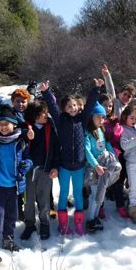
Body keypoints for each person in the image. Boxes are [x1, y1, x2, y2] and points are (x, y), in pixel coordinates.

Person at [40, 78, 104, 236]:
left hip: (79, 165)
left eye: (74, 105)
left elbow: (89, 104)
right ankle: (63, 225)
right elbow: (53, 108)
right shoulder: (60, 120)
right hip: (64, 165)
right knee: (63, 194)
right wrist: (46, 92)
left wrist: (96, 89)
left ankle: (79, 224)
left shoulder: (82, 119)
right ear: (64, 109)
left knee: (78, 194)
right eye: (69, 106)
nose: (72, 108)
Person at [0, 104, 33, 265]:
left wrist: (27, 165)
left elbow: (28, 159)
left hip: (14, 187)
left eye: (6, 124)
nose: (3, 127)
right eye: (1, 124)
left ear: (14, 125)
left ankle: (7, 241)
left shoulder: (20, 142)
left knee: (12, 216)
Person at [0, 82, 31, 220]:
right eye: (18, 101)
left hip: (26, 150)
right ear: (13, 102)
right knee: (16, 183)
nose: (21, 104)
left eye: (24, 102)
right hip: (12, 149)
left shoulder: (29, 114)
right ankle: (16, 208)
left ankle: (23, 207)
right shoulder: (10, 112)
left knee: (24, 183)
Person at [20, 100, 60, 241]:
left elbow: (55, 150)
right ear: (35, 115)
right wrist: (26, 135)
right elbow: (19, 136)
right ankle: (29, 224)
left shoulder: (49, 128)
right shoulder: (25, 128)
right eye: (43, 113)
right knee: (28, 200)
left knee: (44, 199)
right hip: (28, 171)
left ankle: (45, 224)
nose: (46, 115)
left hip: (45, 169)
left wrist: (55, 167)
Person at [84, 102, 122, 232]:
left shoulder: (101, 130)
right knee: (94, 193)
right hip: (93, 168)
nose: (101, 120)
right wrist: (96, 166)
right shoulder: (88, 132)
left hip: (104, 166)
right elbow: (87, 151)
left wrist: (115, 161)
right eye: (98, 117)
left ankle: (95, 217)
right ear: (91, 117)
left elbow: (108, 146)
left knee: (101, 192)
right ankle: (90, 219)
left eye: (103, 117)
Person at [98, 93, 129, 219]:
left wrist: (117, 131)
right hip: (100, 157)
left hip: (113, 156)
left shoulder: (114, 120)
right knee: (101, 183)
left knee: (116, 182)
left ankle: (120, 206)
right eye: (105, 105)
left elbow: (117, 140)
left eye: (110, 106)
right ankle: (99, 207)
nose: (108, 108)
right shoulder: (97, 120)